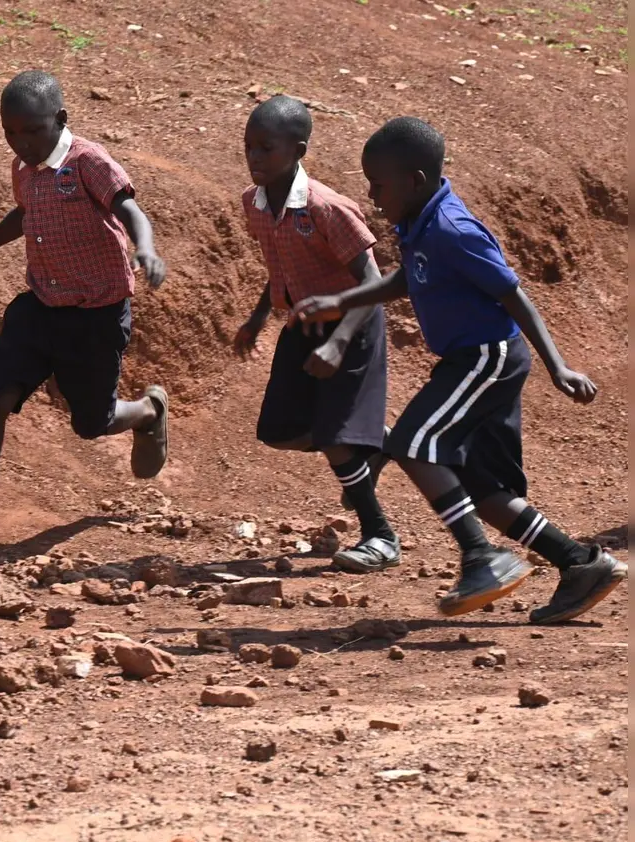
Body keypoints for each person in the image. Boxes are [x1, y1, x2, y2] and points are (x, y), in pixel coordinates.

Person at [291, 116, 626, 622]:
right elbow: (407, 279)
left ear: (414, 181)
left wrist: (558, 366)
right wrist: (342, 300)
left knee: (411, 443)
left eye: (377, 184)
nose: (371, 194)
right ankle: (581, 564)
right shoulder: (420, 221)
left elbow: (513, 294)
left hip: (487, 357)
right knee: (482, 490)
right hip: (471, 359)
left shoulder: (453, 229)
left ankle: (481, 558)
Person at [0, 70, 168, 551]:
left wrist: (147, 249)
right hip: (40, 307)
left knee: (91, 423)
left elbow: (130, 209)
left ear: (60, 119)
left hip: (96, 314)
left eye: (33, 130)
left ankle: (148, 411)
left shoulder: (88, 162)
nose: (22, 142)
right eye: (10, 132)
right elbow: (23, 214)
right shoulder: (23, 168)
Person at [233, 96, 400, 573]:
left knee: (333, 434)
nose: (255, 157)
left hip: (352, 325)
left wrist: (339, 340)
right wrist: (258, 318)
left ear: (298, 150)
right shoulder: (254, 203)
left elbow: (371, 280)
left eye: (266, 148)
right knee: (278, 431)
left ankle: (380, 536)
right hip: (302, 325)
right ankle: (375, 443)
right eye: (249, 146)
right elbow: (281, 267)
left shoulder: (327, 208)